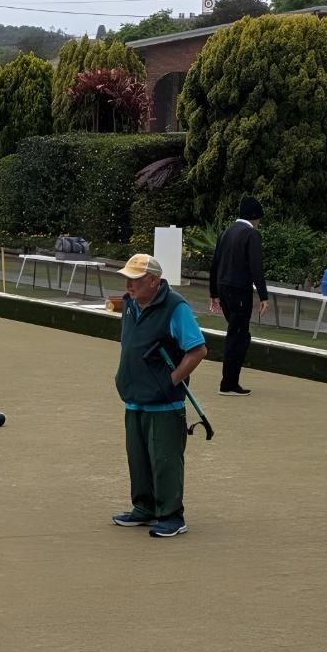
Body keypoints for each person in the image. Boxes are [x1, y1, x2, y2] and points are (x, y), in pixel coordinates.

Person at [112, 253, 208, 539]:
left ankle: (171, 515)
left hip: (165, 401)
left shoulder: (175, 307)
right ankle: (145, 508)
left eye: (136, 280)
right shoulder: (130, 304)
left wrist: (171, 381)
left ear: (154, 281)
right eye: (128, 279)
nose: (130, 285)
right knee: (138, 457)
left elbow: (198, 350)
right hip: (133, 395)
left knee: (165, 460)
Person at [209, 195, 269, 397]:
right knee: (237, 335)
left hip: (223, 287)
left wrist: (213, 292)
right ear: (255, 216)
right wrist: (263, 295)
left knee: (238, 333)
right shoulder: (251, 234)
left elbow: (215, 263)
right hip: (239, 290)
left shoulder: (226, 232)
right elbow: (256, 267)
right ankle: (228, 383)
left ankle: (229, 381)